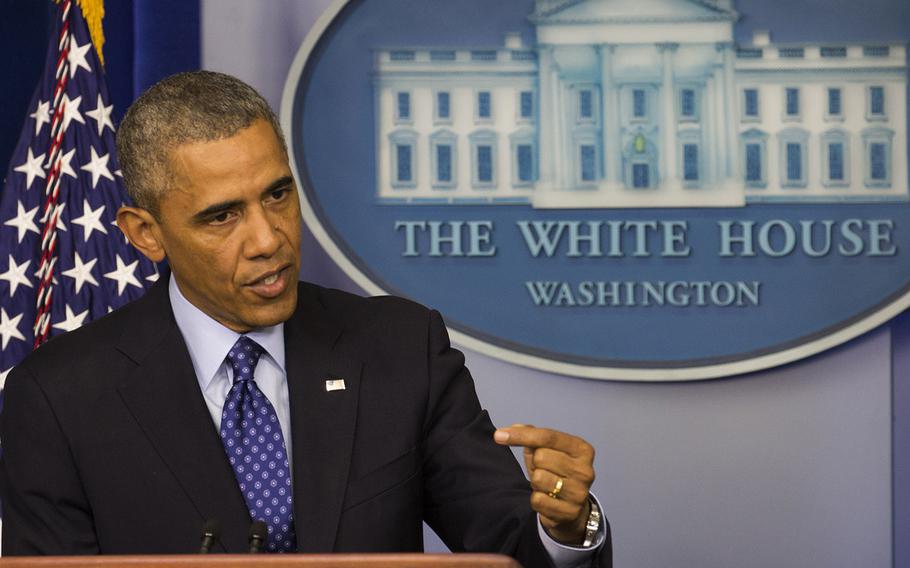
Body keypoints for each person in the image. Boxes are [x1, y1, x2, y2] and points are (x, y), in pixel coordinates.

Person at [0, 71, 611, 566]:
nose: (269, 239)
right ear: (145, 234)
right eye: (222, 216)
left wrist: (568, 524)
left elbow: (511, 546)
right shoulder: (58, 398)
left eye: (277, 194)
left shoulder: (400, 348)